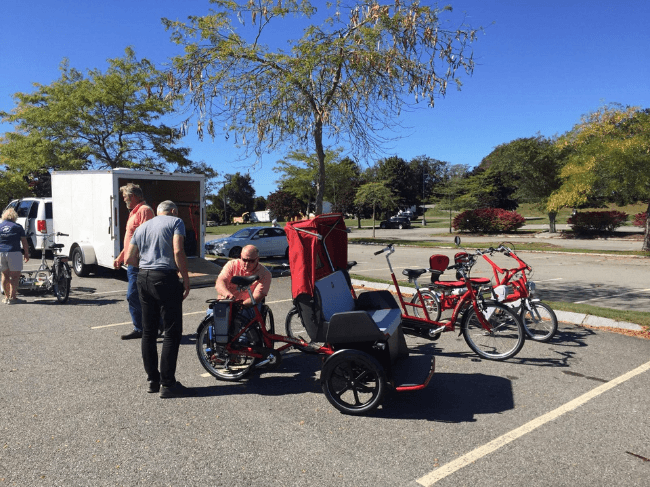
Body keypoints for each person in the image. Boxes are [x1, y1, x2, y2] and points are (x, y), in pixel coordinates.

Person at [125, 200, 196, 398]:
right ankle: (168, 383)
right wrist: (186, 278)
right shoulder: (176, 222)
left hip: (143, 277)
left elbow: (129, 258)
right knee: (172, 332)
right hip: (165, 277)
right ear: (173, 210)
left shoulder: (142, 227)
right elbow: (177, 250)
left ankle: (153, 380)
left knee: (149, 330)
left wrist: (147, 265)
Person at [114, 183, 154, 340]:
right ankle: (143, 327)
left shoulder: (145, 211)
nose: (124, 200)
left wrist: (136, 257)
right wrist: (121, 257)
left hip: (140, 263)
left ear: (134, 196)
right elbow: (132, 239)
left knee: (135, 295)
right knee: (137, 296)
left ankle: (147, 327)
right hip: (132, 263)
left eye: (125, 197)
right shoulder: (134, 213)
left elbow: (145, 237)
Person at [214, 244, 272, 329]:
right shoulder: (231, 265)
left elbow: (258, 296)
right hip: (228, 302)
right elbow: (220, 282)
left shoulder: (265, 274)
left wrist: (240, 306)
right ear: (240, 257)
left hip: (248, 305)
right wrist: (227, 294)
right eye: (244, 260)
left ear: (258, 259)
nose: (247, 264)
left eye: (251, 261)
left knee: (243, 318)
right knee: (211, 315)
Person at [0, 208, 30, 304]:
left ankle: (6, 297)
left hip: (1, 252)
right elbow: (24, 242)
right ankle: (13, 298)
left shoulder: (0, 226)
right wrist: (26, 253)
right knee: (15, 276)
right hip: (14, 252)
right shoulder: (17, 227)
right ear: (14, 217)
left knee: (5, 275)